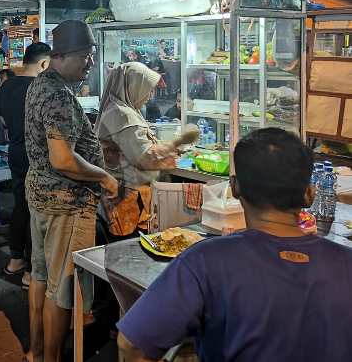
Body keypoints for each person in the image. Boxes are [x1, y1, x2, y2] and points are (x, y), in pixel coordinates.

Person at [117, 128, 352, 362]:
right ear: (309, 194)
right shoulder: (346, 263)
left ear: (235, 187)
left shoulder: (205, 261)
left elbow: (131, 346)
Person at [24, 20, 118, 362]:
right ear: (61, 56)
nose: (91, 63)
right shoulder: (59, 95)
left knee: (39, 276)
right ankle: (51, 358)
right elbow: (63, 159)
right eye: (86, 56)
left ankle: (35, 352)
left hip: (40, 193)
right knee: (61, 289)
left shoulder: (40, 83)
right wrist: (103, 178)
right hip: (65, 201)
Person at [95, 62, 178, 239]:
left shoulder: (122, 109)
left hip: (125, 198)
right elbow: (144, 157)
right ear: (133, 87)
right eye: (147, 89)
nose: (150, 95)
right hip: (125, 202)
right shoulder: (122, 115)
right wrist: (172, 150)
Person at [0, 42, 51, 288]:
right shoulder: (40, 88)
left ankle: (15, 260)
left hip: (16, 152)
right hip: (35, 156)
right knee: (35, 212)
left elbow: (0, 117)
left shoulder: (6, 87)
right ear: (44, 64)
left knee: (21, 206)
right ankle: (31, 270)